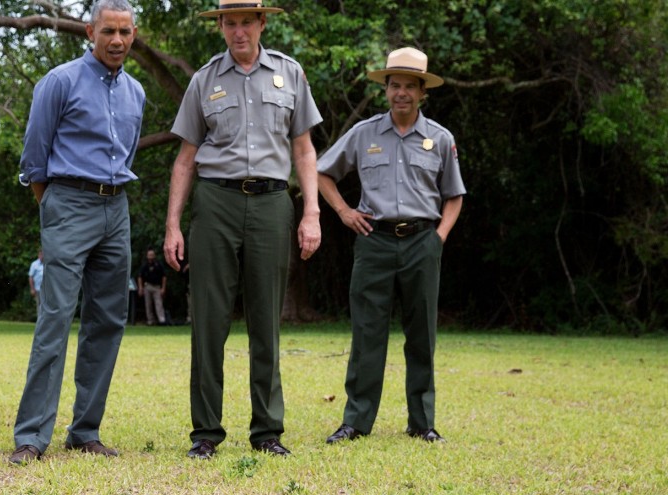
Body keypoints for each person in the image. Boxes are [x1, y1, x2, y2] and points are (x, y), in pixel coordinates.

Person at [163, 0, 322, 460]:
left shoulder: (290, 74)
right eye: (229, 23)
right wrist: (173, 225)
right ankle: (206, 433)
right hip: (215, 201)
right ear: (220, 27)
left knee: (266, 319)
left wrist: (311, 212)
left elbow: (305, 151)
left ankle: (268, 430)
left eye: (246, 22)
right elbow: (185, 159)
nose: (238, 31)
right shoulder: (204, 80)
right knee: (209, 319)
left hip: (273, 202)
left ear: (262, 23)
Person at [9, 0, 145, 465]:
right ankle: (31, 436)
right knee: (55, 317)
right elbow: (34, 157)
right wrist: (52, 206)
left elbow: (126, 154)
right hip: (67, 202)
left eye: (125, 32)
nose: (117, 41)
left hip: (117, 208)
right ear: (90, 31)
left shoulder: (136, 93)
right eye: (109, 31)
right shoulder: (60, 82)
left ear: (133, 34)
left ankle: (85, 430)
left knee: (108, 321)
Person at [317, 47, 465, 444]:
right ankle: (356, 422)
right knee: (367, 334)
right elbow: (321, 173)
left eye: (409, 86)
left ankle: (422, 423)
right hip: (374, 241)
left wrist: (439, 238)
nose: (401, 93)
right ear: (386, 89)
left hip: (422, 242)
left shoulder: (440, 138)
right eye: (394, 85)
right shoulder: (364, 133)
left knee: (422, 335)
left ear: (422, 92)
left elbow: (454, 196)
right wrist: (345, 212)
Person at [136, 248, 167, 326]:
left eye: (152, 255)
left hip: (157, 287)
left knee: (159, 303)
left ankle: (161, 320)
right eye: (149, 255)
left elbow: (164, 276)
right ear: (147, 256)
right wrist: (140, 287)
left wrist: (163, 288)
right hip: (147, 286)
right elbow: (140, 276)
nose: (151, 257)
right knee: (148, 304)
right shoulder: (144, 265)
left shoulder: (158, 264)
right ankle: (150, 321)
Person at [28, 248, 44, 315]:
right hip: (38, 289)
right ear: (38, 255)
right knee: (39, 305)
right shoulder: (34, 264)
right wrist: (32, 289)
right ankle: (39, 321)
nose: (42, 256)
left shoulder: (48, 264)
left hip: (47, 289)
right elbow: (31, 277)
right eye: (41, 254)